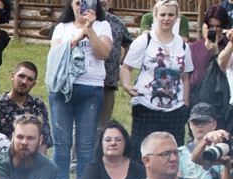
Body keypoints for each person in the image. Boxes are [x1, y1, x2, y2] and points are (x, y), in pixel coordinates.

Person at [48, 0, 113, 179]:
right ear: (71, 5)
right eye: (77, 2)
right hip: (62, 89)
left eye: (86, 2)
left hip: (91, 89)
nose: (81, 7)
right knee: (62, 142)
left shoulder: (103, 26)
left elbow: (103, 53)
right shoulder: (61, 28)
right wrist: (78, 36)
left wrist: (89, 29)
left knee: (85, 144)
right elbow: (56, 54)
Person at [121, 0, 193, 160]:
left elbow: (186, 76)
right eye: (163, 14)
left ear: (176, 17)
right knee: (143, 154)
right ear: (155, 16)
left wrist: (185, 104)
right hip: (146, 105)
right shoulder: (144, 41)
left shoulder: (183, 45)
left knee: (172, 154)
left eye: (170, 15)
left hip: (175, 109)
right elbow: (126, 67)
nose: (166, 18)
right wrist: (126, 85)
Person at [0, 61, 52, 153]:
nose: (24, 82)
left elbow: (44, 141)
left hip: (31, 161)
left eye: (30, 79)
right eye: (21, 76)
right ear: (12, 76)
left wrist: (40, 166)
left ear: (34, 84)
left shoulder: (38, 105)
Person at [180, 103, 225, 179]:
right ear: (190, 124)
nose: (200, 126)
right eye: (195, 122)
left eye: (204, 122)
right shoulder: (179, 153)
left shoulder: (220, 151)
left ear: (214, 124)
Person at [98, 0, 133, 128]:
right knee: (80, 125)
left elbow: (129, 45)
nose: (102, 1)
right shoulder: (82, 22)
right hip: (85, 82)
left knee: (102, 125)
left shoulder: (117, 23)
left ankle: (99, 148)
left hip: (108, 82)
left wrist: (121, 65)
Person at [187, 5, 228, 98]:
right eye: (211, 26)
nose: (214, 30)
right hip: (197, 98)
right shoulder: (194, 47)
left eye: (218, 26)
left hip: (222, 99)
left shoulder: (229, 46)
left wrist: (217, 53)